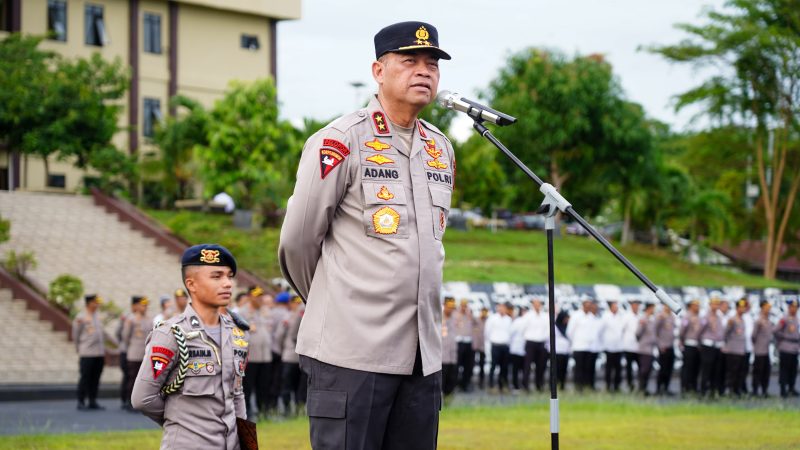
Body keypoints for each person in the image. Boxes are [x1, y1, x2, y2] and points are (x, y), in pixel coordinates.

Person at [277, 20, 454, 449]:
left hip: (419, 357)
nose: (423, 71)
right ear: (378, 71)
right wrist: (337, 303)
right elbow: (298, 242)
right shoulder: (340, 141)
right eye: (409, 61)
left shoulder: (440, 148)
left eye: (431, 63)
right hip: (350, 354)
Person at [132, 244, 248, 449]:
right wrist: (181, 421)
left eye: (229, 276)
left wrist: (249, 445)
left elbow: (237, 396)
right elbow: (143, 398)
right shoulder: (171, 334)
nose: (227, 283)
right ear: (191, 284)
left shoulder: (237, 334)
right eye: (216, 276)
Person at [239, 285, 273, 420]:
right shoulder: (242, 313)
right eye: (256, 296)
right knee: (247, 387)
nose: (260, 299)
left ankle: (264, 412)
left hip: (265, 356)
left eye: (261, 296)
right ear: (249, 297)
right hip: (250, 357)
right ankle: (247, 413)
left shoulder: (266, 311)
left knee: (264, 387)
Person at [73, 294, 112, 410]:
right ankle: (81, 401)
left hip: (99, 353)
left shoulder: (97, 316)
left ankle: (92, 400)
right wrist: (78, 348)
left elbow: (103, 333)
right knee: (85, 378)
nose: (97, 305)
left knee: (96, 378)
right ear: (89, 303)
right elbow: (76, 334)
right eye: (95, 302)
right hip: (87, 353)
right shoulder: (81, 317)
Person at [278, 295, 307, 416]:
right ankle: (288, 410)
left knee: (298, 387)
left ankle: (297, 410)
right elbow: (280, 336)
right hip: (291, 356)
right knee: (288, 386)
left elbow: (279, 336)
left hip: (294, 356)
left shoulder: (298, 315)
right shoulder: (289, 316)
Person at [122, 296, 150, 411]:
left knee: (143, 380)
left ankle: (140, 402)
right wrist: (132, 346)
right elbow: (125, 336)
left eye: (146, 305)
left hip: (145, 354)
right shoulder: (131, 319)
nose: (145, 307)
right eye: (143, 305)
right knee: (132, 379)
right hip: (134, 354)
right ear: (137, 306)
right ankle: (129, 401)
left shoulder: (149, 319)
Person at [567, 297, 601, 392]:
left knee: (588, 368)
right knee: (579, 368)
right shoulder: (576, 316)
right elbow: (570, 332)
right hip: (579, 346)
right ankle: (578, 386)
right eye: (587, 305)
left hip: (589, 347)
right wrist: (577, 340)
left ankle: (587, 386)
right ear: (583, 305)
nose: (589, 307)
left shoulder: (592, 317)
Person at [266, 291, 290, 414]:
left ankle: (267, 405)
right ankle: (273, 406)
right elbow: (280, 334)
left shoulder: (270, 313)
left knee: (268, 379)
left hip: (268, 350)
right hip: (279, 350)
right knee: (277, 380)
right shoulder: (286, 314)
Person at [722, 299, 748, 397]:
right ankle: (729, 390)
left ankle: (736, 390)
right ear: (737, 308)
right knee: (731, 372)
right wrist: (728, 344)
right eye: (741, 307)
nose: (743, 309)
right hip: (732, 350)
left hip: (740, 350)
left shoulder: (742, 319)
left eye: (744, 307)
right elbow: (725, 333)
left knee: (739, 372)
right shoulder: (732, 320)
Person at [699, 296, 724, 397]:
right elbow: (700, 330)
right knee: (706, 369)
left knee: (716, 370)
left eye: (717, 304)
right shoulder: (705, 316)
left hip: (717, 345)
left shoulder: (719, 317)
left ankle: (713, 390)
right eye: (714, 304)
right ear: (710, 305)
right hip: (707, 345)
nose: (716, 306)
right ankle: (703, 391)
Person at [522, 297, 549, 392]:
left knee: (541, 365)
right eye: (535, 303)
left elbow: (548, 329)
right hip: (530, 342)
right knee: (527, 365)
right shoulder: (528, 316)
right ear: (533, 304)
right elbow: (523, 328)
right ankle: (525, 385)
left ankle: (539, 385)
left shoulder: (545, 316)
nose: (537, 305)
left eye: (539, 303)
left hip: (541, 342)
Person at [486, 302, 513, 393]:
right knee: (493, 366)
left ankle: (502, 386)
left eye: (503, 308)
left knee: (504, 367)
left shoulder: (508, 319)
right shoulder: (492, 318)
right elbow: (487, 332)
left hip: (505, 346)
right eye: (500, 307)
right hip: (495, 345)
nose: (502, 309)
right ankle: (491, 385)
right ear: (498, 308)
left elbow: (510, 333)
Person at [775, 298, 799, 397]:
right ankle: (783, 389)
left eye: (796, 307)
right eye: (792, 307)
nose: (794, 309)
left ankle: (791, 388)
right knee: (784, 370)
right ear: (789, 308)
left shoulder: (797, 319)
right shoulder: (784, 319)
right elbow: (776, 331)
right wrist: (784, 338)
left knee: (793, 370)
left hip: (795, 348)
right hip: (785, 347)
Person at [600, 300, 625, 393]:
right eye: (614, 306)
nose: (616, 308)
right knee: (609, 368)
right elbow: (601, 331)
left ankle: (616, 386)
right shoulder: (605, 317)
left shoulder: (620, 316)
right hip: (609, 347)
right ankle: (608, 386)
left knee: (618, 368)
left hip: (618, 347)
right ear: (610, 307)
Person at [679, 299, 702, 395]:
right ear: (691, 306)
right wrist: (682, 342)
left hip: (697, 346)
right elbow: (682, 331)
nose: (697, 307)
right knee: (687, 368)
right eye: (695, 305)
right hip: (689, 344)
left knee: (695, 368)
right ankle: (684, 388)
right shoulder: (687, 317)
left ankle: (693, 387)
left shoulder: (699, 317)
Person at [751, 300, 773, 397]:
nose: (768, 309)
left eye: (769, 307)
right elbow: (753, 336)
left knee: (766, 371)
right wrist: (758, 345)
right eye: (766, 307)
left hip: (766, 350)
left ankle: (764, 390)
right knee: (757, 372)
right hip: (759, 350)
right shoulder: (758, 321)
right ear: (762, 308)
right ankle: (755, 390)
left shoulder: (768, 320)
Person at [453, 299, 476, 392]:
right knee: (456, 365)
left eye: (465, 305)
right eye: (462, 305)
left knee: (468, 365)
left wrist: (470, 315)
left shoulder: (469, 315)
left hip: (468, 341)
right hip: (459, 341)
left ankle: (465, 384)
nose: (464, 307)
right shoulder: (455, 314)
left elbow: (475, 324)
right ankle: (453, 384)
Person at [636, 302, 657, 396]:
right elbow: (637, 333)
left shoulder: (651, 319)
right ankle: (641, 389)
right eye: (653, 308)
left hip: (651, 349)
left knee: (648, 370)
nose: (654, 310)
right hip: (644, 349)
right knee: (644, 370)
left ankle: (644, 388)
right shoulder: (643, 319)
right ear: (649, 309)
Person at [655, 305, 676, 395]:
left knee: (669, 369)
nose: (668, 307)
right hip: (663, 347)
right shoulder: (661, 316)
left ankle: (666, 388)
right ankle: (659, 389)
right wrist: (659, 344)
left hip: (671, 346)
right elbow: (655, 331)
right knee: (662, 369)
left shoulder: (672, 316)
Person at [621, 300, 642, 392]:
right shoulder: (626, 316)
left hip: (639, 346)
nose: (636, 307)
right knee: (629, 367)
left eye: (637, 305)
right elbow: (622, 329)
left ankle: (640, 385)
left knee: (641, 367)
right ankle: (630, 385)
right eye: (634, 305)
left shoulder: (640, 316)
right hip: (629, 345)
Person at [441, 298, 459, 399]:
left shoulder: (455, 318)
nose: (451, 310)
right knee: (441, 380)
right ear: (444, 305)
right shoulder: (439, 317)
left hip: (453, 355)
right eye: (449, 307)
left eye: (453, 308)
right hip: (442, 356)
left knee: (452, 378)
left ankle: (448, 398)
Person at [115, 305, 130, 409]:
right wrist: (123, 343)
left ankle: (130, 399)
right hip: (125, 351)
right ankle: (124, 399)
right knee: (127, 375)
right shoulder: (126, 317)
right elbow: (118, 333)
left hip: (137, 352)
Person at [551, 309, 571, 391]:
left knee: (564, 370)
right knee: (556, 370)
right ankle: (554, 386)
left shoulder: (567, 327)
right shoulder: (555, 327)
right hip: (557, 352)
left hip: (565, 351)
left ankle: (562, 385)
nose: (566, 320)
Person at [509, 305, 527, 391]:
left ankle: (522, 385)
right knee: (516, 369)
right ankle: (516, 385)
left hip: (524, 348)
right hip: (516, 348)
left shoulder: (527, 320)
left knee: (523, 369)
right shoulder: (517, 321)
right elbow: (511, 333)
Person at [473, 307, 489, 389]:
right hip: (475, 345)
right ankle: (470, 380)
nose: (484, 314)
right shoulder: (476, 320)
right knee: (472, 364)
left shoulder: (488, 321)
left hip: (483, 346)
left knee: (482, 364)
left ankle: (481, 381)